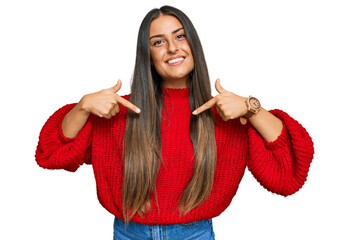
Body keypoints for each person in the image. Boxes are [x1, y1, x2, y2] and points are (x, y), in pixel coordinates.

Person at [35, 5, 314, 240]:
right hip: (129, 232)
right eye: (158, 41)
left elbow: (288, 174)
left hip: (196, 233)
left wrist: (252, 108)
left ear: (194, 43)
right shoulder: (117, 110)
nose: (171, 47)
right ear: (148, 55)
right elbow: (52, 154)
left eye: (180, 36)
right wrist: (83, 107)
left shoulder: (228, 113)